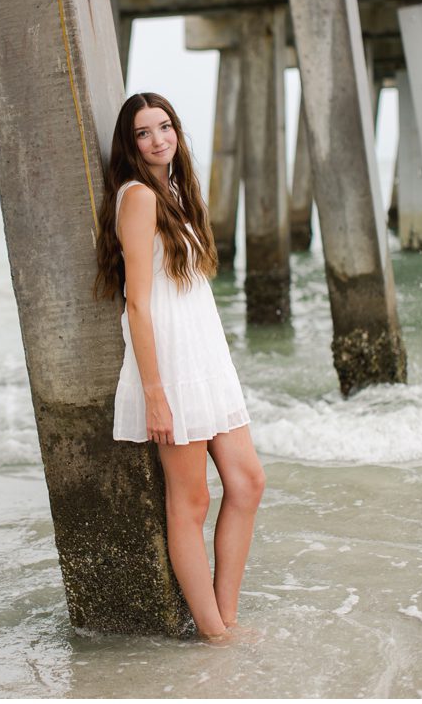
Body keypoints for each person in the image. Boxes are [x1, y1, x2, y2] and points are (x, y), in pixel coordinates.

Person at [93, 92, 266, 641]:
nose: (158, 139)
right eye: (144, 132)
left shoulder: (174, 191)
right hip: (172, 364)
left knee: (248, 483)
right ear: (130, 143)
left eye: (164, 126)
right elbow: (139, 302)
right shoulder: (139, 197)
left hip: (205, 357)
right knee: (191, 502)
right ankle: (215, 635)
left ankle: (226, 618)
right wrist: (155, 393)